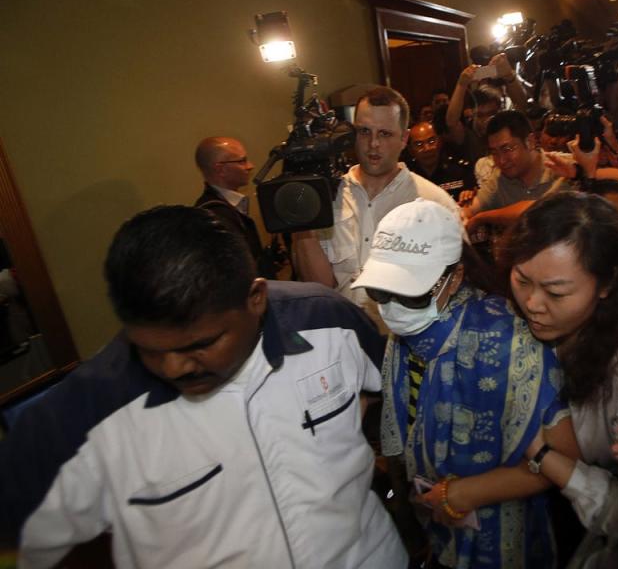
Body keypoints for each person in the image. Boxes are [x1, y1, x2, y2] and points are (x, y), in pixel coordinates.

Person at [0, 206, 406, 568]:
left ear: (256, 298)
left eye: (202, 344)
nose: (174, 367)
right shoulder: (83, 413)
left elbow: (391, 395)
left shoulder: (327, 321)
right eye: (150, 349)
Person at [351, 199, 577, 568]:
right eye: (380, 292)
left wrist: (466, 492)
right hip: (437, 525)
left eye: (410, 293)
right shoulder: (405, 336)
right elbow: (401, 434)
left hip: (503, 536)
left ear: (453, 278)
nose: (392, 308)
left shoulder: (509, 339)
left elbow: (566, 457)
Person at [499, 191, 618, 560]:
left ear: (606, 285)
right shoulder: (507, 319)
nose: (533, 304)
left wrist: (543, 452)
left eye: (556, 292)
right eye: (522, 281)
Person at [292, 86, 458, 327]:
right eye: (364, 132)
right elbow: (320, 288)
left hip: (405, 341)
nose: (373, 144)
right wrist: (303, 222)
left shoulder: (435, 203)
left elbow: (452, 287)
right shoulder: (329, 198)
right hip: (345, 337)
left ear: (404, 138)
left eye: (385, 134)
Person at [463, 110, 567, 232]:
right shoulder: (499, 180)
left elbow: (535, 212)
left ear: (530, 142)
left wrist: (482, 218)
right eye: (494, 153)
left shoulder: (563, 168)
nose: (501, 160)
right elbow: (468, 211)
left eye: (507, 149)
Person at [193, 136, 274, 277]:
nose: (250, 166)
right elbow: (238, 273)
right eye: (242, 161)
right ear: (221, 169)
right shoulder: (214, 216)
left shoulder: (224, 207)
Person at [405, 120, 475, 204]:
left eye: (431, 141)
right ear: (410, 150)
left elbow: (471, 197)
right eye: (419, 145)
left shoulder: (460, 170)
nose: (427, 148)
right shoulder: (406, 176)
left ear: (440, 142)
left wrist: (469, 196)